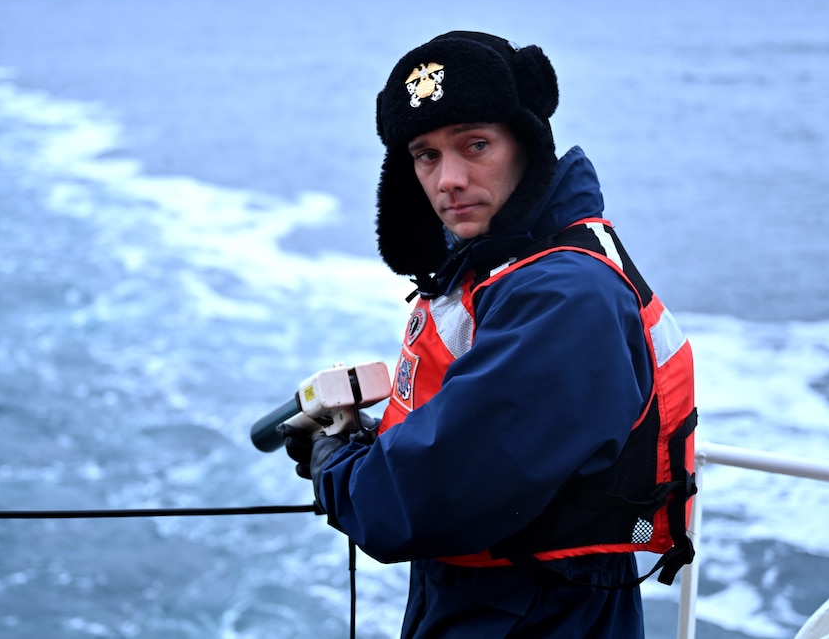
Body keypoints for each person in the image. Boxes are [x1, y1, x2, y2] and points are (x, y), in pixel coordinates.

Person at [280, 31, 697, 638]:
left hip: (538, 615)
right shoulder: (508, 267)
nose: (448, 179)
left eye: (475, 145)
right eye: (425, 155)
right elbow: (485, 440)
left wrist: (334, 460)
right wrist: (373, 444)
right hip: (498, 602)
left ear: (527, 145)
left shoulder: (566, 299)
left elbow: (414, 502)